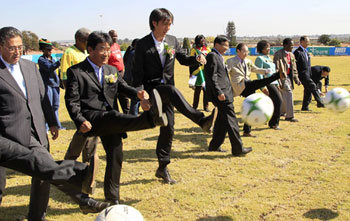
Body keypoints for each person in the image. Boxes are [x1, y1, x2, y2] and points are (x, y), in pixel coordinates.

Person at [65, 31, 167, 205]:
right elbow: (71, 101)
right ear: (90, 49)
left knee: (116, 155)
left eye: (108, 49)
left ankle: (113, 199)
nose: (106, 53)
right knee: (113, 116)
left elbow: (123, 87)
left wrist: (139, 94)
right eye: (102, 49)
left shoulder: (111, 70)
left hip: (110, 121)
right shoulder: (76, 71)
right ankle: (150, 120)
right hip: (92, 119)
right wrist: (80, 120)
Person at [133, 8, 217, 184]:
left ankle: (162, 168)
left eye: (170, 24)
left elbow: (183, 59)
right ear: (154, 23)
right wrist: (141, 96)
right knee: (170, 92)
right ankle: (201, 120)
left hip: (168, 92)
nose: (168, 28)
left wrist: (197, 59)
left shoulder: (172, 41)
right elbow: (137, 73)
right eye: (165, 23)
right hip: (153, 90)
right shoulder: (142, 44)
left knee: (169, 128)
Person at [0, 26, 57, 221]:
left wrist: (53, 123)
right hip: (5, 135)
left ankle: (37, 216)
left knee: (43, 171)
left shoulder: (30, 67)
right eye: (11, 48)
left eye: (19, 47)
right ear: (0, 47)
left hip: (34, 131)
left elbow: (42, 99)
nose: (16, 52)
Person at [0, 135, 110, 214]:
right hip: (6, 132)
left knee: (43, 165)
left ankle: (82, 195)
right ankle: (81, 177)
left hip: (28, 133)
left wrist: (52, 121)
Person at [204, 36, 252, 155]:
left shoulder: (218, 56)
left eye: (227, 45)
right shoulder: (212, 56)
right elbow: (212, 77)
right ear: (216, 45)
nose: (227, 48)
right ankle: (238, 149)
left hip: (225, 92)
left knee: (221, 120)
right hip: (221, 94)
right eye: (224, 45)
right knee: (232, 121)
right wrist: (219, 92)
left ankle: (214, 146)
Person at [226, 43, 286, 137]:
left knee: (251, 105)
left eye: (247, 51)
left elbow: (256, 69)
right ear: (238, 51)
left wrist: (267, 71)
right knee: (258, 83)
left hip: (248, 86)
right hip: (239, 85)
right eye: (244, 51)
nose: (247, 53)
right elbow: (225, 73)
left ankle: (247, 131)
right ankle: (278, 75)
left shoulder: (248, 61)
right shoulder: (230, 61)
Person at [62, 28, 98, 167]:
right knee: (83, 132)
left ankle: (87, 165)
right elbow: (66, 77)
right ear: (79, 40)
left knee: (93, 132)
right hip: (80, 102)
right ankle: (69, 163)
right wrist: (74, 98)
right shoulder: (69, 53)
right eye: (87, 41)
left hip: (92, 100)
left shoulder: (86, 52)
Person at [255, 40, 283, 130]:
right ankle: (274, 123)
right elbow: (259, 73)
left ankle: (266, 119)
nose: (269, 49)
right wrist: (262, 86)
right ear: (262, 49)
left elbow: (274, 72)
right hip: (267, 83)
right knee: (278, 101)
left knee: (272, 103)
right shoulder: (259, 58)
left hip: (274, 83)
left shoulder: (269, 58)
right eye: (267, 47)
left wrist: (278, 83)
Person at [38, 38, 64, 130]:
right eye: (48, 49)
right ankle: (46, 127)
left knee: (56, 106)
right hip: (47, 85)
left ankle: (57, 125)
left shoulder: (52, 59)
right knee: (48, 107)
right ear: (43, 49)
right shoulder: (41, 60)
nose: (50, 51)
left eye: (51, 49)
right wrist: (60, 62)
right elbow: (50, 68)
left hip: (55, 84)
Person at [293, 36, 324, 111]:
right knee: (312, 86)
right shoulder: (297, 52)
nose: (308, 43)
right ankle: (320, 102)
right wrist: (296, 77)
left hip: (308, 74)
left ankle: (305, 107)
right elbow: (294, 65)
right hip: (302, 74)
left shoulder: (306, 52)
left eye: (308, 41)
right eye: (307, 41)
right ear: (301, 42)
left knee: (308, 90)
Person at [273, 38, 301, 122]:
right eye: (290, 45)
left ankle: (282, 112)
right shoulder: (278, 54)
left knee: (283, 94)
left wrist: (296, 79)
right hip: (282, 77)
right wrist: (278, 80)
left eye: (293, 45)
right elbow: (276, 68)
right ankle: (290, 116)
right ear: (284, 45)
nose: (292, 47)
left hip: (289, 77)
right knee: (288, 94)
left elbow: (294, 68)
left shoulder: (292, 55)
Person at [108, 29, 129, 114]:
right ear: (109, 37)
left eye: (116, 36)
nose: (115, 38)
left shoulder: (117, 45)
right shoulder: (107, 47)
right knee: (114, 94)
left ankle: (127, 114)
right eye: (113, 36)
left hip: (121, 72)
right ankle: (116, 114)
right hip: (111, 74)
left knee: (124, 93)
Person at [189, 34, 210, 112]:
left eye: (204, 40)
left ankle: (206, 107)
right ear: (198, 41)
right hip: (197, 72)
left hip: (206, 71)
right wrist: (191, 74)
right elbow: (190, 62)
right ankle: (194, 106)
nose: (203, 41)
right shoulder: (193, 50)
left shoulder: (208, 49)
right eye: (202, 40)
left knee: (206, 90)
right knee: (197, 90)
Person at [123, 38, 140, 115]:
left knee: (134, 98)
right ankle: (133, 116)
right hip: (134, 80)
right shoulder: (136, 54)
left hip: (127, 78)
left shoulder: (129, 52)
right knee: (135, 99)